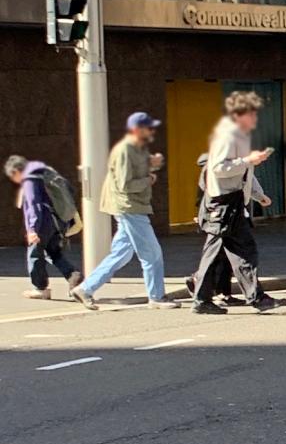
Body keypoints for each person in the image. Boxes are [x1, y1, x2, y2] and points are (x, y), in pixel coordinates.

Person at [189, 91, 277, 315]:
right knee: (239, 251)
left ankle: (250, 297)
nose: (255, 118)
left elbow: (244, 173)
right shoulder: (228, 137)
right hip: (224, 203)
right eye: (251, 114)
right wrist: (247, 160)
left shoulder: (237, 137)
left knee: (230, 252)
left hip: (231, 202)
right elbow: (218, 168)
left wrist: (258, 194)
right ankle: (252, 297)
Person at [73, 111, 170, 308]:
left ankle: (85, 289)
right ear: (136, 129)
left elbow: (135, 172)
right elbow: (125, 185)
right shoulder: (125, 150)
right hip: (129, 207)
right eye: (148, 127)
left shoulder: (138, 148)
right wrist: (149, 179)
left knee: (121, 254)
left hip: (131, 206)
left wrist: (152, 165)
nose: (152, 131)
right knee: (152, 253)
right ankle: (156, 297)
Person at [6, 152, 78, 298]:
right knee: (52, 252)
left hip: (43, 223)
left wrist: (32, 229)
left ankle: (40, 288)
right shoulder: (44, 173)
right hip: (57, 221)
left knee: (34, 254)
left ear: (16, 171)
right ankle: (74, 276)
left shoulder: (30, 180)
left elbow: (34, 205)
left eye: (12, 176)